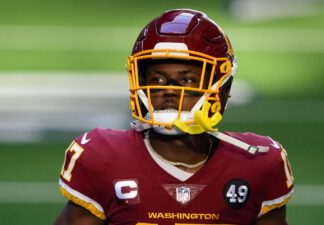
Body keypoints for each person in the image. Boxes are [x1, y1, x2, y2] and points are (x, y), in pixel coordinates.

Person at [53, 9, 294, 225]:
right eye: (157, 79)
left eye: (187, 80)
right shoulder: (102, 157)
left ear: (223, 88)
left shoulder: (258, 163)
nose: (169, 90)